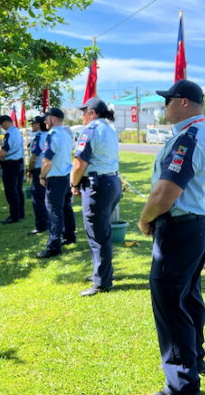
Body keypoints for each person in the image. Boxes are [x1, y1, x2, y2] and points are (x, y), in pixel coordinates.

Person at [139, 79, 205, 395]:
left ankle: (181, 385)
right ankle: (194, 358)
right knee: (187, 294)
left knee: (171, 302)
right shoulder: (195, 132)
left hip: (181, 227)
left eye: (168, 100)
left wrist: (145, 220)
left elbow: (165, 193)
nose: (164, 105)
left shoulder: (189, 138)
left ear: (184, 102)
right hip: (196, 224)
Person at [70, 97, 121, 297]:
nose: (82, 116)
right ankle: (102, 273)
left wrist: (74, 184)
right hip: (112, 182)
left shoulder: (91, 130)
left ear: (93, 112)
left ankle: (102, 282)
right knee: (102, 232)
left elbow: (79, 164)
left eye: (84, 112)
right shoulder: (109, 129)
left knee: (97, 235)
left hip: (97, 185)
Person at [36, 107, 76, 259]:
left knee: (54, 212)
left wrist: (42, 176)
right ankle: (69, 236)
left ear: (53, 119)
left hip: (55, 178)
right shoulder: (66, 134)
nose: (44, 121)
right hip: (66, 176)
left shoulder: (52, 135)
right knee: (66, 208)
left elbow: (46, 162)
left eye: (46, 118)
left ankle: (54, 245)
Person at [0, 115, 25, 224]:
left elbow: (3, 153)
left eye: (2, 125)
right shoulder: (18, 132)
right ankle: (20, 212)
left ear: (6, 122)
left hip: (11, 164)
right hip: (19, 163)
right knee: (19, 189)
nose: (2, 127)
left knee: (11, 190)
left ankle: (14, 216)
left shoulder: (9, 134)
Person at [26, 116, 49, 236]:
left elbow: (34, 159)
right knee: (47, 198)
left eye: (33, 123)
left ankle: (41, 225)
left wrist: (29, 169)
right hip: (49, 169)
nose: (31, 126)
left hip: (39, 169)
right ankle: (49, 222)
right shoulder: (49, 135)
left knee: (38, 199)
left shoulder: (38, 137)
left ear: (38, 125)